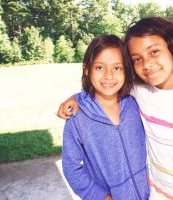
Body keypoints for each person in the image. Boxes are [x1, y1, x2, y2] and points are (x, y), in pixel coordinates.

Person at [59, 17, 173, 200]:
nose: (146, 64)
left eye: (154, 52)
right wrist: (76, 98)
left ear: (172, 46)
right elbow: (105, 87)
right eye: (137, 59)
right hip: (155, 195)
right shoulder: (138, 94)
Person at [62, 34, 149, 200]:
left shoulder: (134, 103)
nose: (109, 76)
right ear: (87, 69)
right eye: (100, 67)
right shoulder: (77, 116)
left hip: (148, 194)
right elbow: (71, 168)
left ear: (126, 70)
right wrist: (101, 197)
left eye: (117, 68)